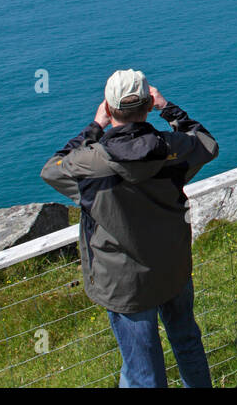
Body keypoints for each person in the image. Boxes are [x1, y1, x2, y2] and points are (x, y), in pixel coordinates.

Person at [41, 69, 218, 388]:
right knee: (187, 342)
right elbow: (206, 143)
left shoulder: (89, 164)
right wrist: (169, 110)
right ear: (149, 103)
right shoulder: (172, 148)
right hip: (172, 267)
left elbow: (52, 170)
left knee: (142, 370)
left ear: (109, 109)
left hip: (123, 281)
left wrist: (95, 127)